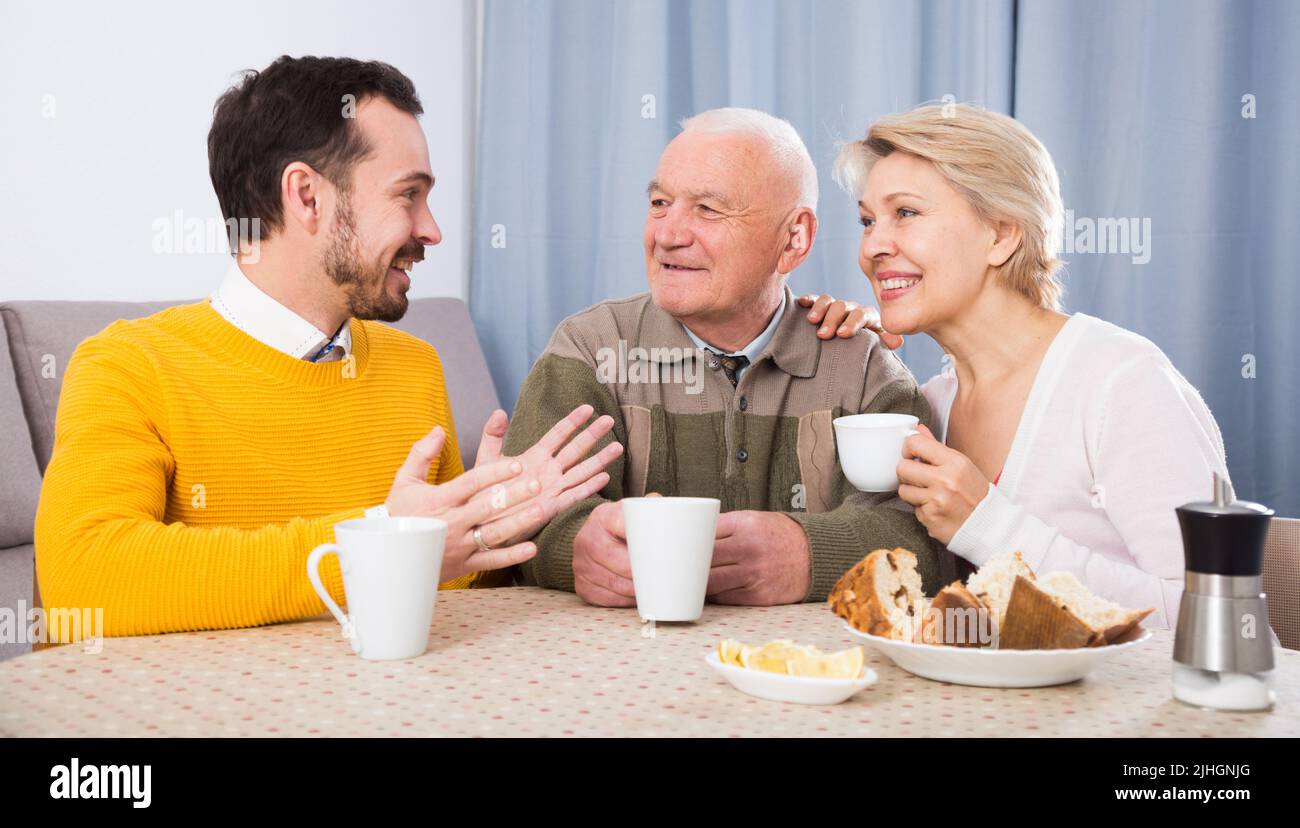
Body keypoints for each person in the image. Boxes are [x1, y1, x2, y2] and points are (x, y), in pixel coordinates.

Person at [34, 57, 620, 640]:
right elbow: (82, 578)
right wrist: (383, 541)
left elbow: (445, 600)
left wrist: (485, 530)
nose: (432, 230)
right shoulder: (128, 367)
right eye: (407, 195)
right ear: (307, 197)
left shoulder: (414, 365)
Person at [502, 108, 950, 608]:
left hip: (801, 675)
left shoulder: (863, 366)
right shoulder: (589, 348)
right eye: (659, 202)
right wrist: (572, 548)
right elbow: (517, 519)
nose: (668, 234)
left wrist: (809, 553)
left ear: (794, 238)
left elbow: (924, 539)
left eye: (708, 209)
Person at [831, 103, 1229, 627]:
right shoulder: (928, 404)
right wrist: (834, 355)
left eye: (905, 213)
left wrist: (988, 524)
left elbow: (1217, 619)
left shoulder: (1122, 383)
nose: (873, 247)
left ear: (1001, 235)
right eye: (867, 221)